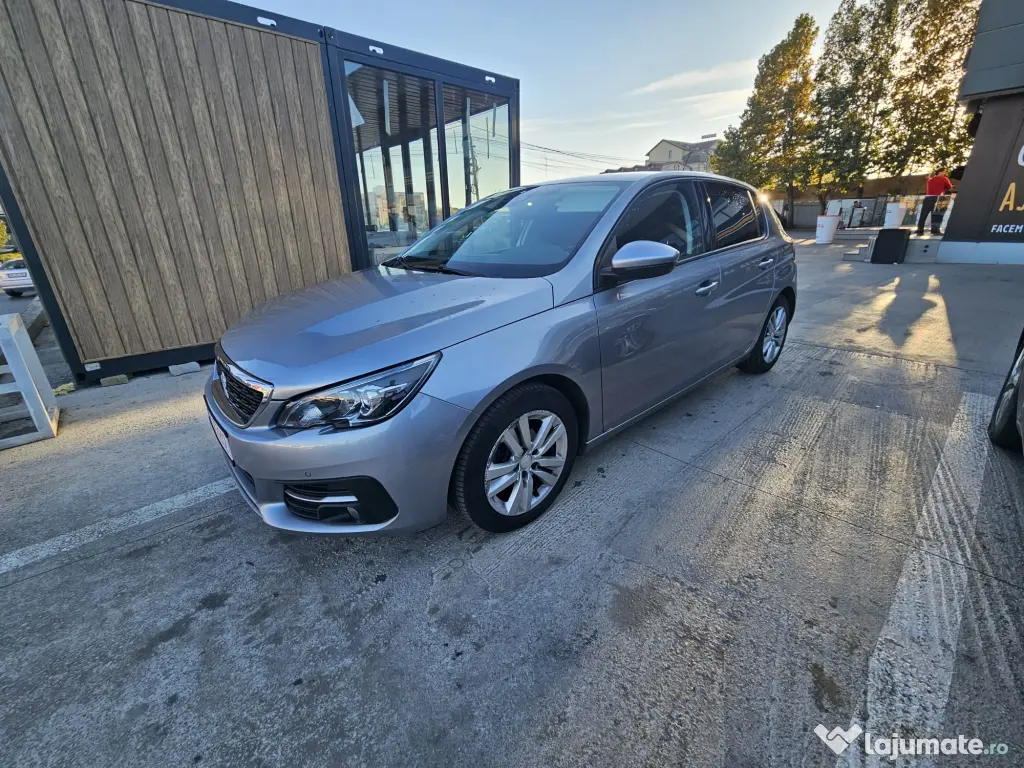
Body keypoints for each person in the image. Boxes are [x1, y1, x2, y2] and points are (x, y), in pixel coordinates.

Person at [917, 167, 954, 236]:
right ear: (940, 172)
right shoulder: (944, 179)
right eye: (944, 172)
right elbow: (949, 187)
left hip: (928, 198)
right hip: (938, 198)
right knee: (937, 215)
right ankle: (935, 230)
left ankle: (920, 230)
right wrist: (944, 189)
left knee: (923, 214)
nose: (945, 173)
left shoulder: (930, 180)